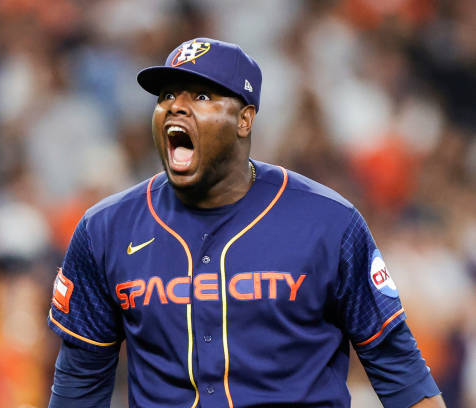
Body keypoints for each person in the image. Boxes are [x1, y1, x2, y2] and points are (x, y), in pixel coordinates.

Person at [46, 38, 445, 408]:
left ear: (244, 119)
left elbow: (401, 373)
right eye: (167, 95)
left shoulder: (329, 222)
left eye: (201, 95)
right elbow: (79, 382)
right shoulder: (106, 230)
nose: (176, 107)